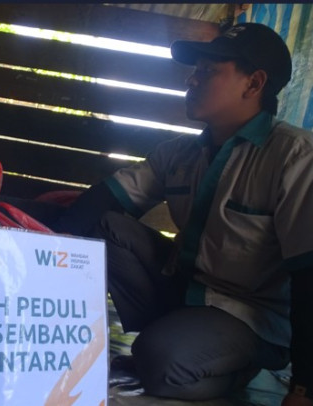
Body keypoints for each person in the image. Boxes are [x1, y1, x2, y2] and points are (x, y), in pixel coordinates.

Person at [52, 23, 313, 405]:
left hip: (248, 315)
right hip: (185, 292)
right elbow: (107, 198)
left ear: (254, 84)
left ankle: (237, 364)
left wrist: (304, 388)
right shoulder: (179, 153)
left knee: (161, 362)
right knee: (107, 225)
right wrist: (36, 247)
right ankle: (182, 340)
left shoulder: (296, 158)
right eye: (195, 70)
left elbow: (309, 277)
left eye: (208, 71)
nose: (191, 80)